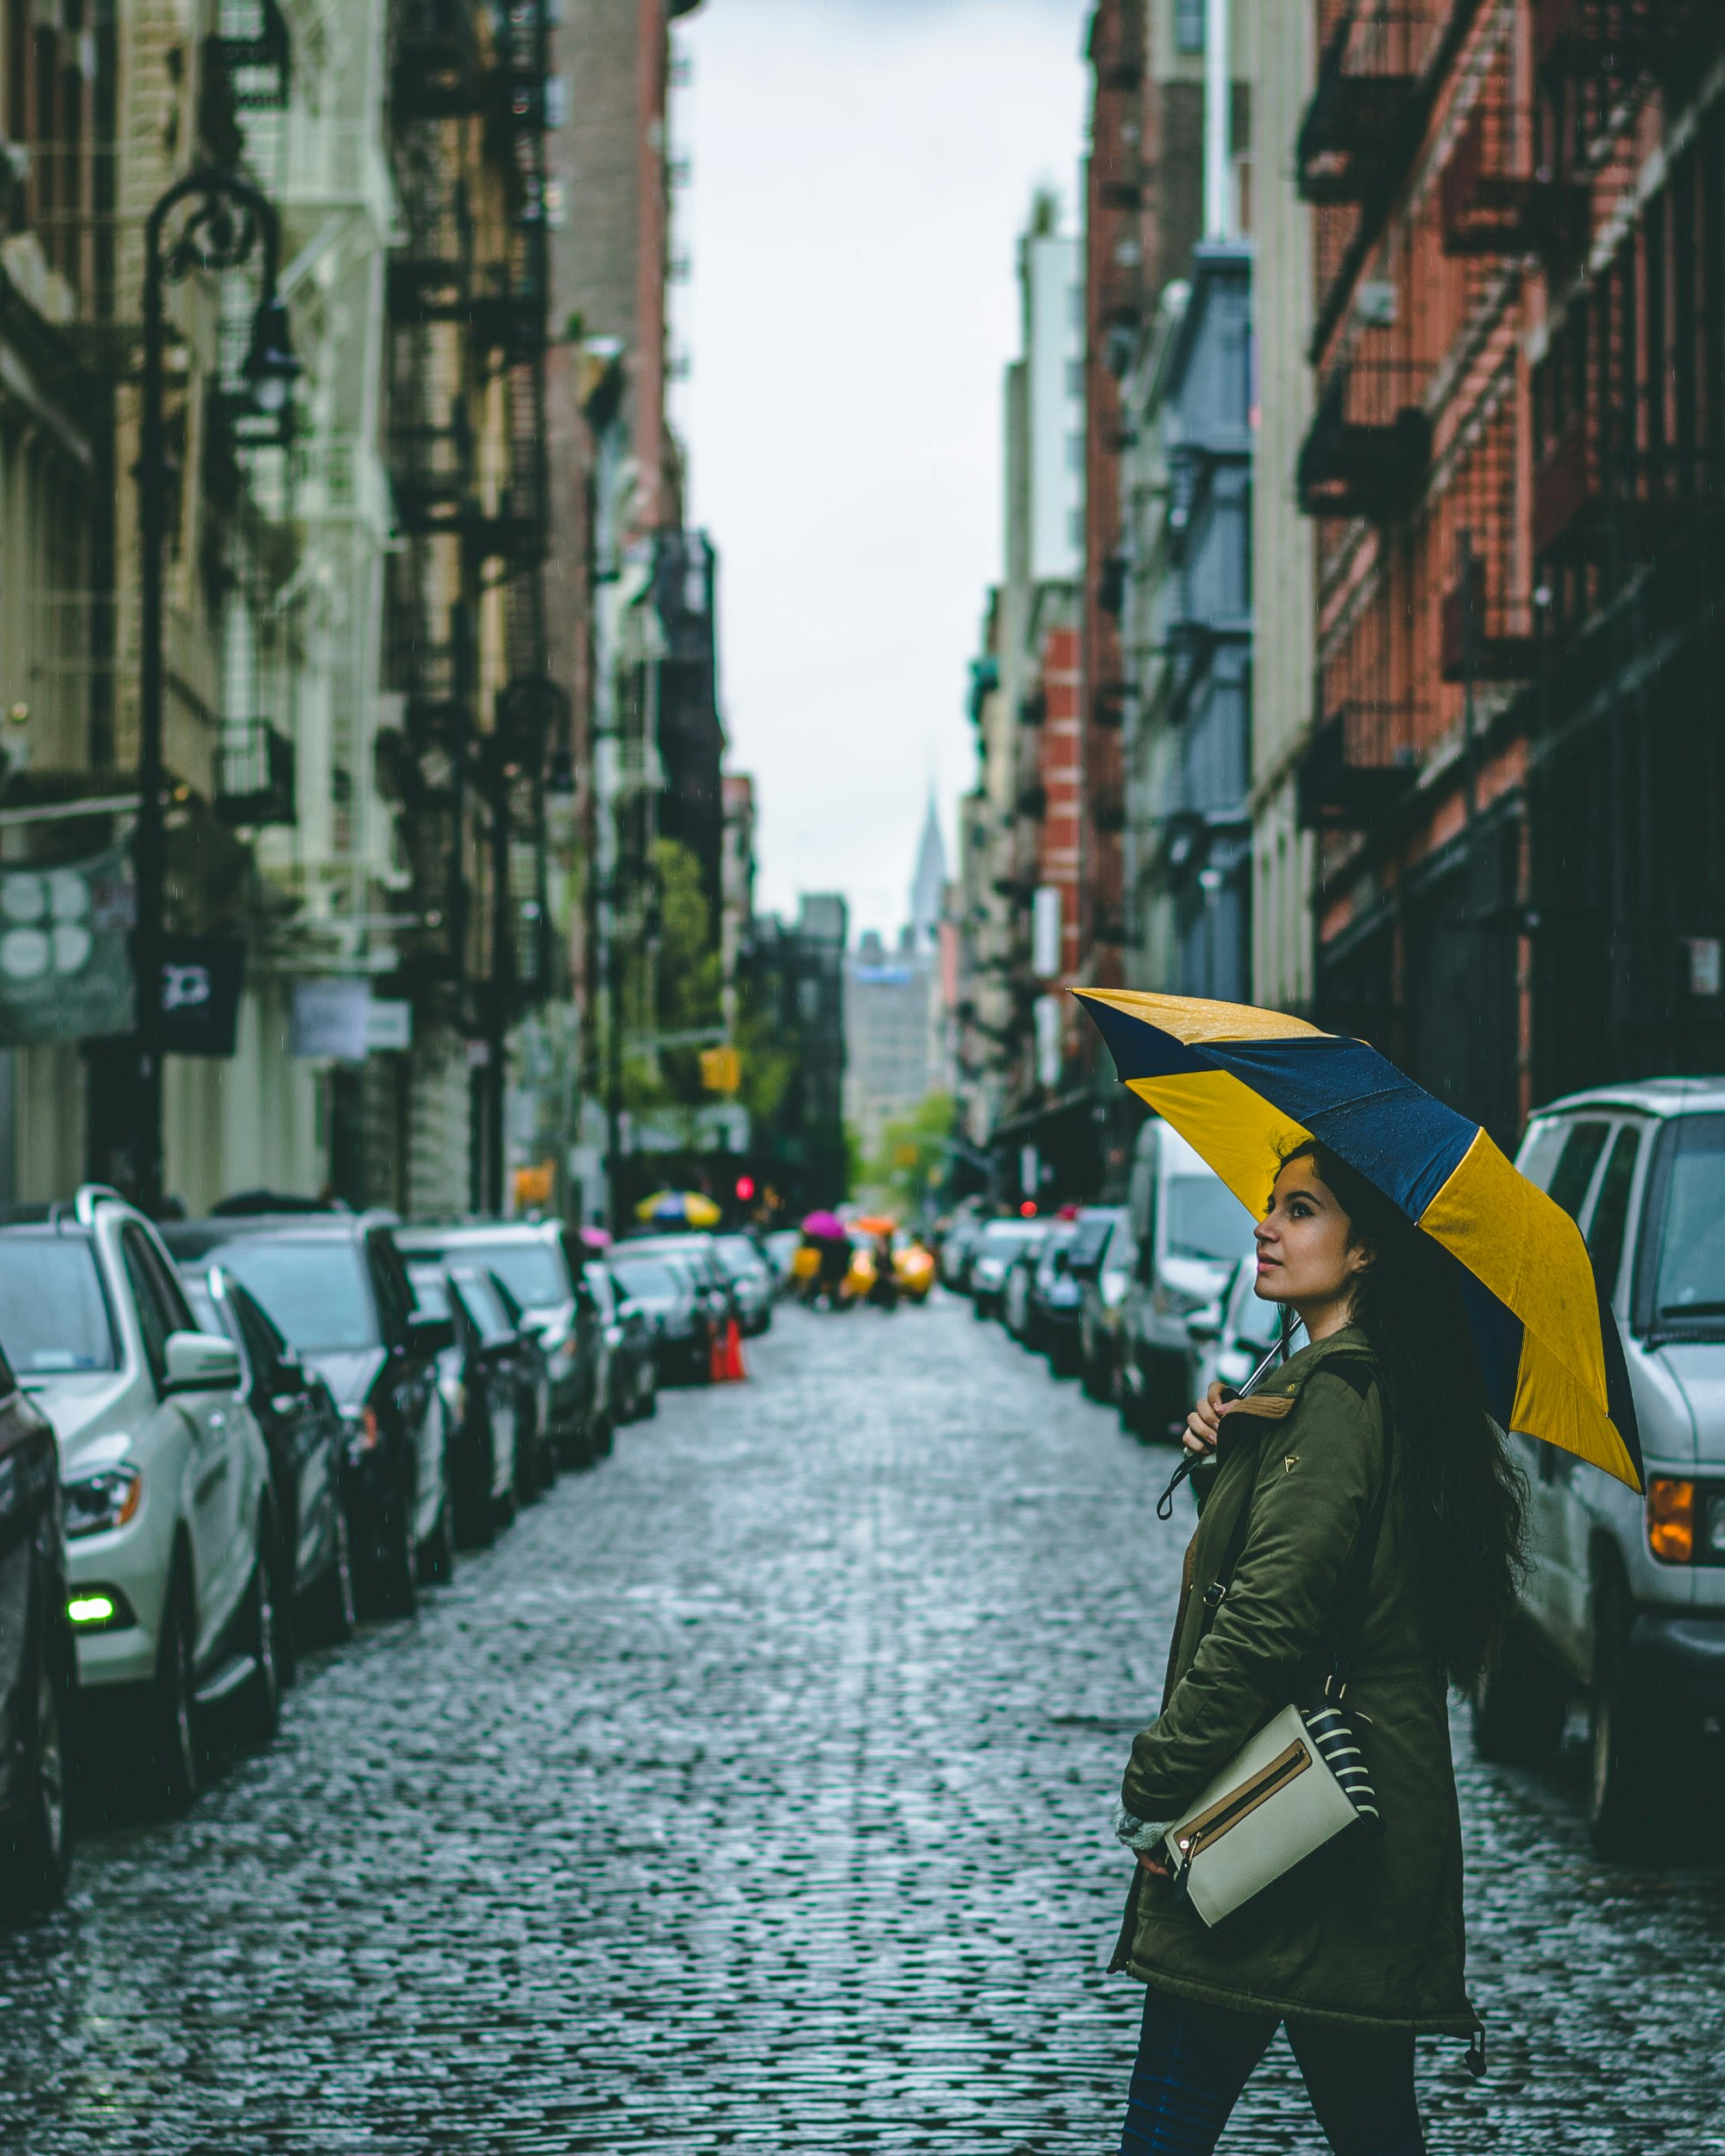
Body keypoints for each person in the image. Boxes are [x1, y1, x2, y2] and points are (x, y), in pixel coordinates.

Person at [1110, 1140, 1526, 2156]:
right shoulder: (1354, 1393)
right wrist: (1227, 1467)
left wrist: (1157, 1778)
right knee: (1372, 2125)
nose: (1264, 1224)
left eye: (1299, 1209)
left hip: (1284, 1827)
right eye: (1269, 1203)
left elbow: (1266, 1624)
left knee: (1165, 2126)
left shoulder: (1333, 1406)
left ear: (1365, 1251)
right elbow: (1335, 1577)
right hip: (1352, 1834)